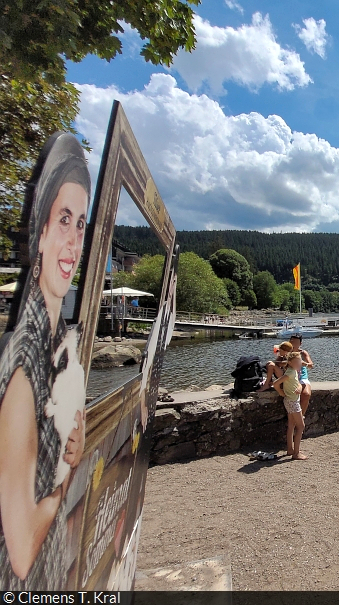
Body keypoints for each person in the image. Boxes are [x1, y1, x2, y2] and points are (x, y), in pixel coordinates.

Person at [0, 134, 90, 588]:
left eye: (81, 224)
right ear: (39, 232)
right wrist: (62, 482)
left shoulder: (59, 345)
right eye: (64, 219)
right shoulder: (24, 369)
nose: (74, 240)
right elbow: (19, 550)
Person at [272, 342, 308, 460]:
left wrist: (298, 387)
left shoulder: (293, 371)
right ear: (291, 363)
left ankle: (290, 449)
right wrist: (281, 392)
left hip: (291, 401)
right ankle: (296, 453)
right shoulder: (290, 372)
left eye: (300, 362)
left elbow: (294, 382)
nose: (299, 364)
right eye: (297, 362)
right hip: (292, 402)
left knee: (291, 425)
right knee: (301, 426)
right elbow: (276, 383)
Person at [287, 334, 314, 416]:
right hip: (290, 377)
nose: (293, 343)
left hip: (302, 377)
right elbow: (277, 363)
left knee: (306, 394)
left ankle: (300, 417)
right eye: (292, 341)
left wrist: (303, 363)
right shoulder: (286, 352)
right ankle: (297, 419)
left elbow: (311, 365)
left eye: (295, 342)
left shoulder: (303, 353)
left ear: (300, 343)